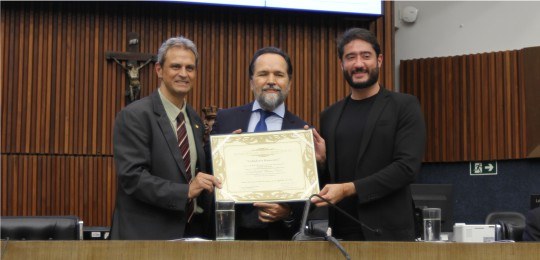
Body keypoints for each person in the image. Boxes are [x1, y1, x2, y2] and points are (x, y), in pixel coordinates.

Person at [310, 28, 426, 241]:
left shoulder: (404, 106)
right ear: (341, 64)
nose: (359, 64)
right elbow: (330, 181)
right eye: (350, 57)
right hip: (340, 236)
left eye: (366, 56)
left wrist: (349, 189)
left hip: (390, 235)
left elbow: (407, 168)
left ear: (379, 60)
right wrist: (323, 162)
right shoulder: (330, 115)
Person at [110, 36, 222, 240]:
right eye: (176, 66)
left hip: (191, 236)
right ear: (159, 70)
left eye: (190, 68)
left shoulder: (195, 119)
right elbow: (132, 178)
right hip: (146, 239)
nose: (183, 74)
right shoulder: (135, 115)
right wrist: (185, 191)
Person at [209, 47, 308, 240]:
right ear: (251, 82)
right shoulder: (225, 120)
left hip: (279, 242)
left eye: (279, 74)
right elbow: (206, 171)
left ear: (289, 83)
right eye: (263, 74)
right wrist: (223, 153)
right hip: (228, 237)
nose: (271, 80)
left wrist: (288, 213)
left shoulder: (303, 132)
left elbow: (309, 199)